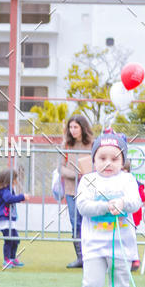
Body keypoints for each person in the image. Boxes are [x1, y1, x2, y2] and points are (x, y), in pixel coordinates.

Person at [74, 132, 141, 287]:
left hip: (121, 247)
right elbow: (83, 206)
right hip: (94, 246)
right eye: (102, 158)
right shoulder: (88, 180)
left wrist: (122, 203)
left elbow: (135, 201)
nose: (108, 163)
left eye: (115, 158)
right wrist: (105, 206)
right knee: (91, 285)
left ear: (123, 161)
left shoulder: (128, 179)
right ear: (94, 160)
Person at [61, 114, 94, 268]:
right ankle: (80, 258)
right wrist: (76, 175)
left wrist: (87, 174)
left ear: (83, 128)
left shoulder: (93, 145)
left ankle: (92, 257)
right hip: (71, 190)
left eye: (76, 127)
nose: (72, 130)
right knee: (76, 223)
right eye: (71, 127)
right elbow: (60, 168)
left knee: (91, 222)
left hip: (89, 191)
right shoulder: (66, 145)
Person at [0, 167, 30, 269]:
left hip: (8, 219)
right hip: (4, 218)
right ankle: (6, 260)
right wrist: (22, 197)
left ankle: (12, 258)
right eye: (15, 179)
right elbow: (8, 199)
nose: (16, 181)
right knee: (9, 239)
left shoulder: (7, 189)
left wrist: (18, 198)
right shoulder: (5, 190)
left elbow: (10, 199)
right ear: (10, 180)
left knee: (15, 239)